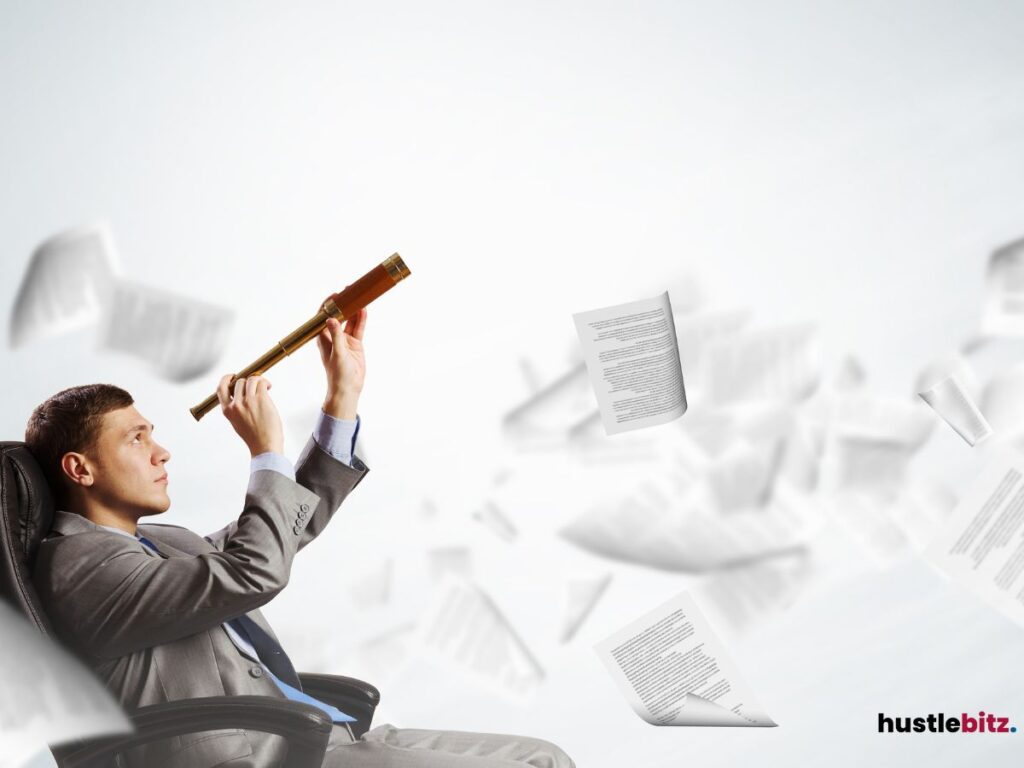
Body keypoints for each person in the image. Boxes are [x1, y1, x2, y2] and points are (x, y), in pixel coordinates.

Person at [27, 309, 574, 768]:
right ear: (80, 469)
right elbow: (256, 572)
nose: (161, 451)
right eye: (137, 438)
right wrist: (266, 453)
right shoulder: (79, 564)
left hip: (320, 737)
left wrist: (341, 398)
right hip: (262, 756)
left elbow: (281, 532)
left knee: (545, 756)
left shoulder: (162, 541)